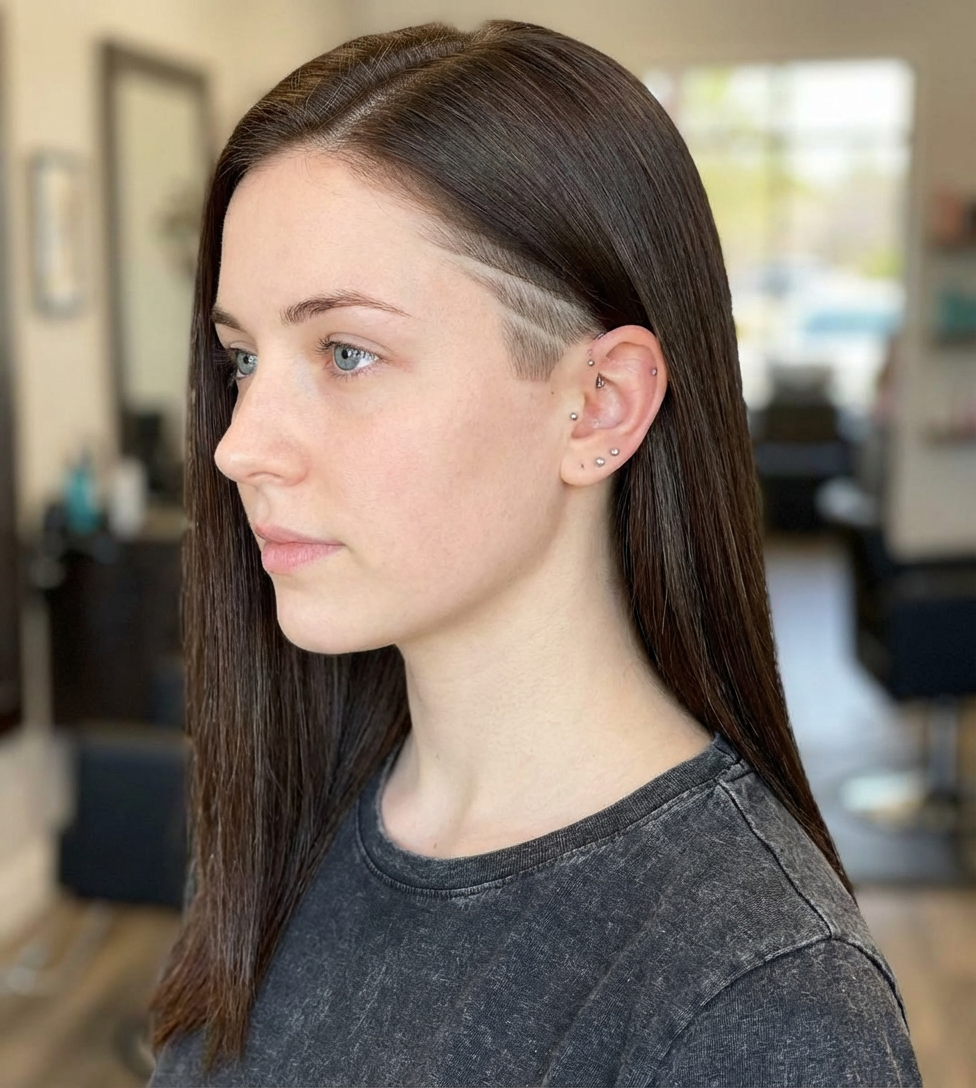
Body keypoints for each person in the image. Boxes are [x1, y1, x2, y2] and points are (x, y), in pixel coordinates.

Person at [148, 20, 922, 1087]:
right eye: (242, 357)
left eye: (346, 351)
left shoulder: (760, 1000)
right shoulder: (294, 806)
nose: (238, 446)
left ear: (598, 407)